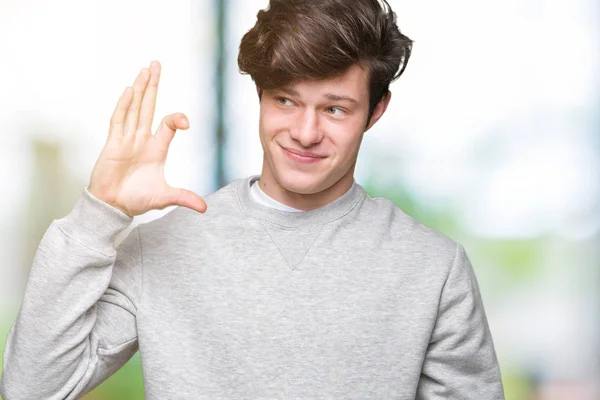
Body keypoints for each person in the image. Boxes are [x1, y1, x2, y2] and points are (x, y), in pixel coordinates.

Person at [0, 0, 505, 398]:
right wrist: (98, 213)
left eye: (334, 109)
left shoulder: (433, 269)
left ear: (376, 111)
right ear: (259, 96)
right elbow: (31, 388)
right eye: (286, 99)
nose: (305, 132)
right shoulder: (162, 249)